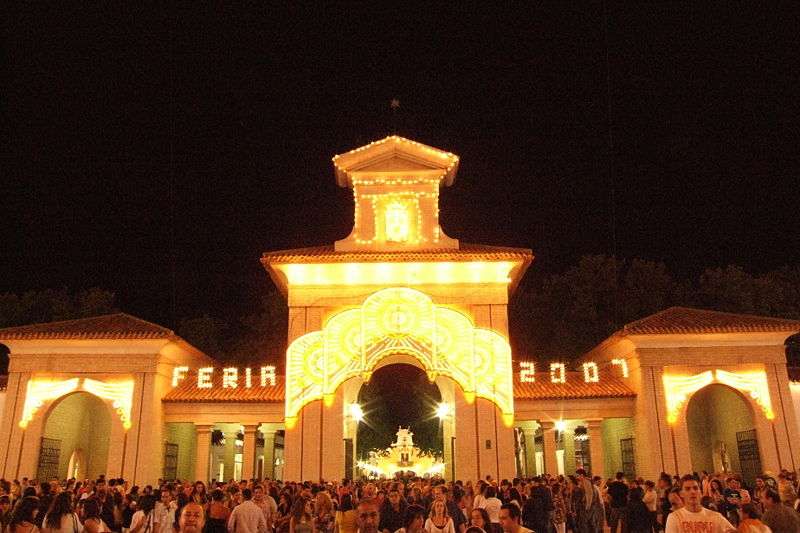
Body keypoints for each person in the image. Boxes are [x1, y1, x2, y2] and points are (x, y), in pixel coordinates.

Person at [664, 476, 735, 533]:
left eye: (695, 488)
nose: (692, 492)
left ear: (700, 493)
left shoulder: (715, 517)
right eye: (687, 489)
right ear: (681, 494)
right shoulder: (674, 518)